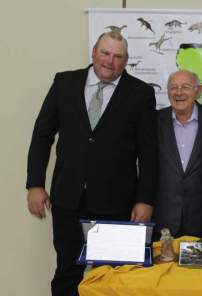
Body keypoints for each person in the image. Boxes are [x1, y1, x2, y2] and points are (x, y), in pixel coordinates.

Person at [26, 31, 157, 296]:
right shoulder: (64, 83)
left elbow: (149, 152)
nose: (110, 61)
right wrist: (35, 184)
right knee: (67, 272)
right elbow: (42, 135)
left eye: (118, 57)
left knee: (113, 278)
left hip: (116, 203)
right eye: (105, 53)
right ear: (94, 52)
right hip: (68, 199)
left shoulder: (141, 94)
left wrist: (145, 199)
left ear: (126, 61)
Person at [154, 70, 202, 241]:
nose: (179, 92)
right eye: (173, 87)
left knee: (201, 268)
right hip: (163, 220)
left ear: (198, 91)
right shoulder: (154, 121)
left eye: (185, 87)